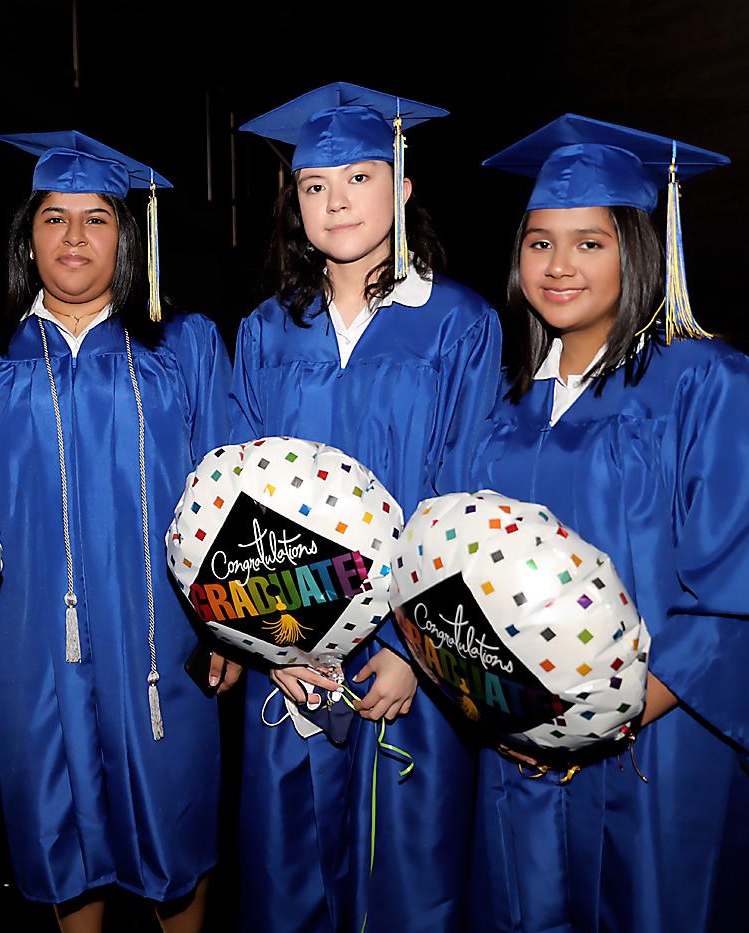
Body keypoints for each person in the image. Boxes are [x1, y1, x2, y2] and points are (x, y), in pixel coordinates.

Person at [467, 114, 749, 933]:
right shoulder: (507, 409)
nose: (559, 265)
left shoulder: (709, 384)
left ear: (640, 251)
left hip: (662, 744)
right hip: (522, 750)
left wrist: (603, 718)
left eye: (590, 242)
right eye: (540, 242)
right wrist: (506, 709)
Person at [0, 131, 236, 933]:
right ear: (26, 236)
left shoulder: (186, 346)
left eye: (97, 218)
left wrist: (231, 627)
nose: (74, 237)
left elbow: (230, 494)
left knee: (173, 823)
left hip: (164, 638)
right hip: (27, 638)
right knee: (60, 829)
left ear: (126, 236)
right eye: (54, 218)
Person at [232, 83, 502, 932]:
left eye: (358, 177)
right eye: (315, 185)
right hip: (289, 653)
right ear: (295, 203)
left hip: (412, 664)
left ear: (404, 187)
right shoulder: (267, 331)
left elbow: (466, 496)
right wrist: (267, 637)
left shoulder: (459, 325)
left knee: (407, 878)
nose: (336, 200)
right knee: (287, 875)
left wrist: (410, 651)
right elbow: (232, 504)